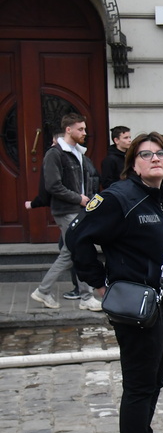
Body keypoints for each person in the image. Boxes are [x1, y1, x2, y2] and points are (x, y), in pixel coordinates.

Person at [66, 132, 163, 433]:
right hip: (136, 310)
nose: (155, 159)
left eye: (161, 154)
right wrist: (98, 283)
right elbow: (78, 236)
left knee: (153, 384)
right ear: (133, 164)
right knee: (140, 387)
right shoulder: (119, 198)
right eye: (145, 154)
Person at [29, 112, 102, 312]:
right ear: (68, 130)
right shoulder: (55, 153)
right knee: (78, 250)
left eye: (85, 129)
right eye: (81, 129)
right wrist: (78, 198)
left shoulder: (78, 152)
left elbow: (86, 181)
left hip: (78, 209)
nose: (84, 133)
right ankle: (84, 296)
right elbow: (53, 185)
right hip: (67, 210)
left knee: (72, 251)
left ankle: (46, 291)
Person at [99, 126, 131, 190]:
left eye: (130, 137)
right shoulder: (110, 160)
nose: (129, 140)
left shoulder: (130, 156)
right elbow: (107, 183)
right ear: (116, 140)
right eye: (125, 138)